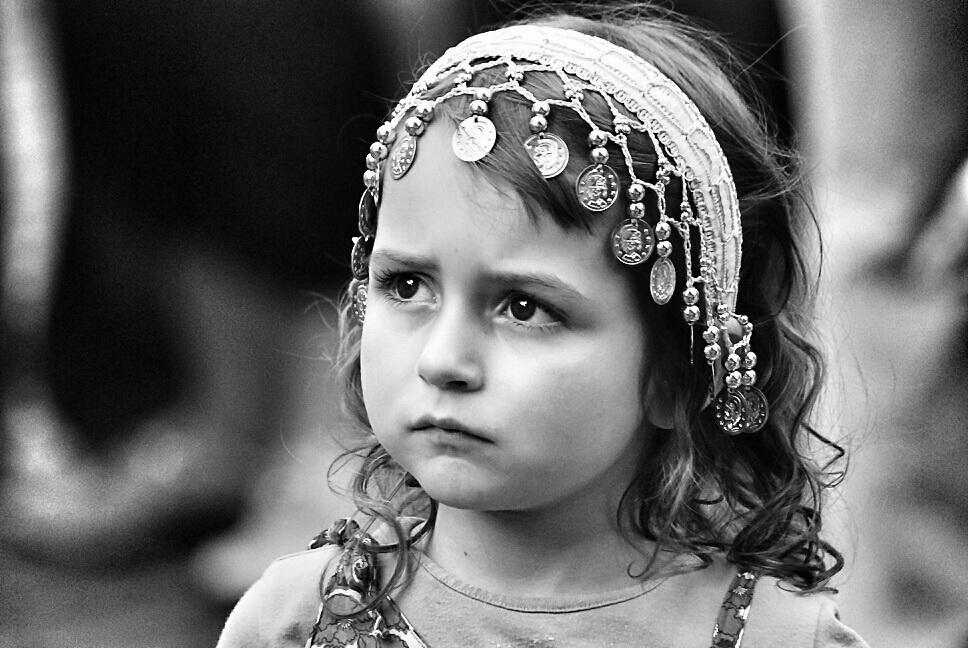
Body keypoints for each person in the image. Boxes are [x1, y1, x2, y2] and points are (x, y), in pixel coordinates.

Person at [216, 6, 869, 647]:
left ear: (678, 372)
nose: (443, 361)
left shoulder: (781, 638)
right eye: (407, 285)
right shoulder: (294, 621)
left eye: (523, 307)